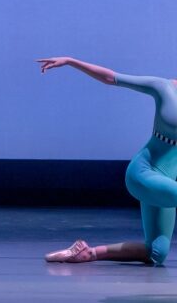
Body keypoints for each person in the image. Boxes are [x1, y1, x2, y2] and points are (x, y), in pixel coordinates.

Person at [40, 56, 177, 265]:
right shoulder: (164, 88)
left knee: (156, 253)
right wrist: (70, 61)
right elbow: (110, 77)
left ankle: (87, 253)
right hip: (143, 174)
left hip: (166, 184)